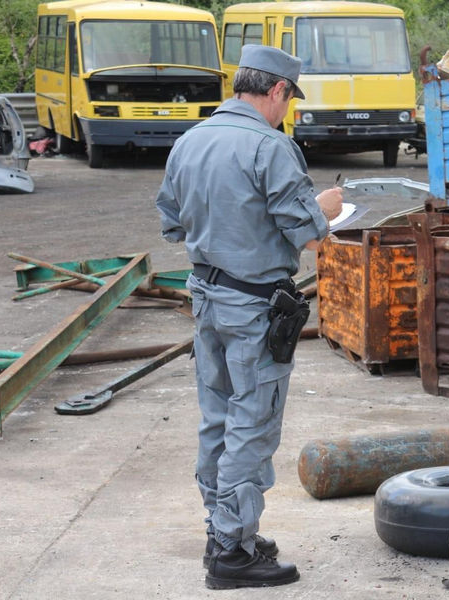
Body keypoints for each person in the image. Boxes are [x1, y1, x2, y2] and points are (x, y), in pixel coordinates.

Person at [155, 44, 342, 590]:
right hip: (253, 305)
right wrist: (323, 210)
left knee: (217, 418)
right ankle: (231, 554)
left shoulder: (190, 141)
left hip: (206, 296)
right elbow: (307, 234)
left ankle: (226, 529)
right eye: (289, 99)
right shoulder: (273, 147)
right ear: (279, 90)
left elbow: (171, 224)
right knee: (252, 426)